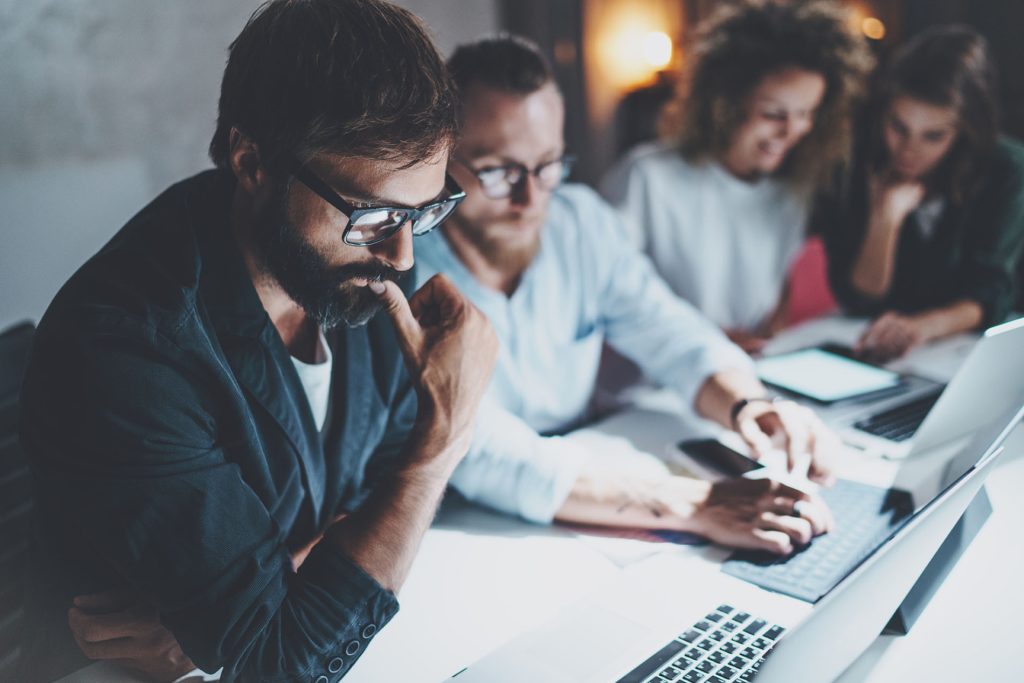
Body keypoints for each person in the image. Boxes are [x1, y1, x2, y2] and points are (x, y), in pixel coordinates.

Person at [18, 1, 497, 681]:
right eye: (373, 216)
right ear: (252, 160)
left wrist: (255, 603)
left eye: (424, 212)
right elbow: (276, 665)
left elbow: (366, 505)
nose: (403, 255)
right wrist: (440, 443)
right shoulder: (121, 347)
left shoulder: (353, 275)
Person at [416, 35, 841, 557]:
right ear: (440, 157)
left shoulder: (581, 220)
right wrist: (696, 504)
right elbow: (481, 450)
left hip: (592, 498)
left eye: (548, 164)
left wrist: (747, 404)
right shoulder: (403, 267)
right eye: (499, 172)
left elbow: (668, 329)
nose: (531, 198)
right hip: (464, 528)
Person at [601, 0, 873, 354]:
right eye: (773, 114)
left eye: (807, 113)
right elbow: (603, 295)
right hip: (651, 383)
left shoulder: (791, 191)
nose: (792, 131)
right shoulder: (646, 179)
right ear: (724, 105)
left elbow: (775, 293)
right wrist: (705, 337)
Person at [819, 25, 1024, 361]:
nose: (908, 151)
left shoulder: (1006, 169)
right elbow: (858, 299)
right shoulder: (857, 159)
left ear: (963, 131)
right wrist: (884, 219)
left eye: (933, 136)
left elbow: (991, 291)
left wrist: (922, 326)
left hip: (962, 349)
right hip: (871, 343)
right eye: (898, 127)